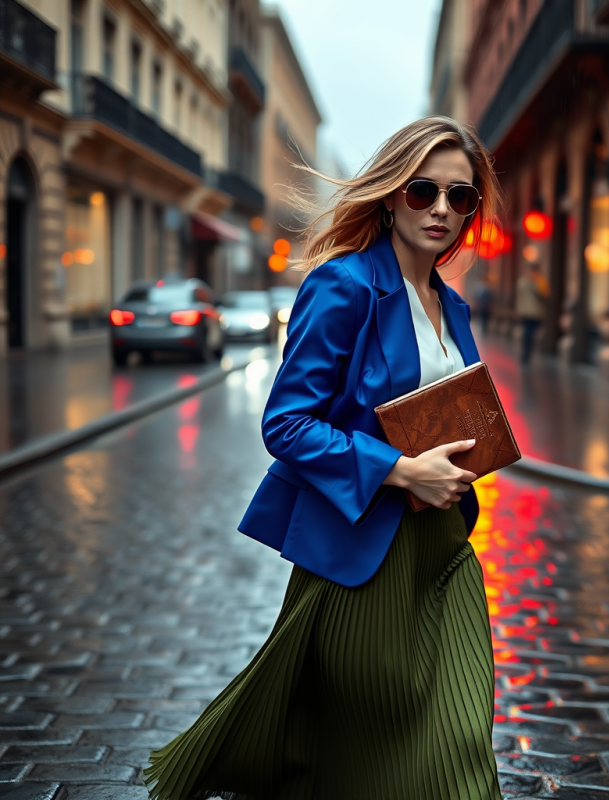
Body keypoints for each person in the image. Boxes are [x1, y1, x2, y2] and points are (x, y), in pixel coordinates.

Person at [143, 117, 503, 800]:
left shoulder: (451, 306)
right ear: (393, 193)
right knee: (368, 742)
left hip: (447, 547)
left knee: (461, 734)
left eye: (461, 198)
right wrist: (400, 470)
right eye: (424, 191)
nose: (441, 211)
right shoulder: (344, 287)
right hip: (365, 550)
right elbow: (287, 423)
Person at [515, 261, 549, 365]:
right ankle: (526, 355)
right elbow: (545, 295)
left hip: (530, 313)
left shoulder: (523, 281)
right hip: (532, 313)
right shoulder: (538, 281)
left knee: (529, 334)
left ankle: (526, 355)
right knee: (528, 334)